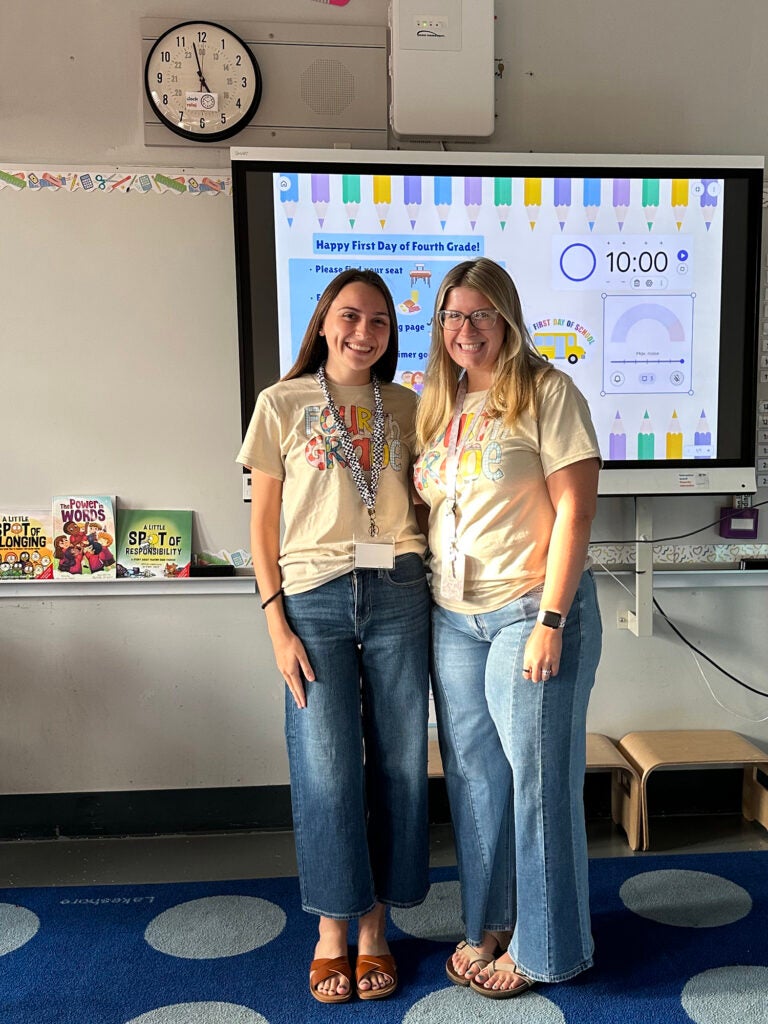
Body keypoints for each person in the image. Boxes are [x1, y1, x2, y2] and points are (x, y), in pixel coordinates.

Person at [236, 268, 430, 1005]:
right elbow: (261, 522)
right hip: (311, 596)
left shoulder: (409, 406)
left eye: (379, 321)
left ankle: (377, 929)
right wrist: (273, 621)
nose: (363, 332)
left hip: (400, 590)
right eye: (349, 317)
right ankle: (330, 933)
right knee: (326, 768)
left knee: (400, 764)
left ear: (391, 334)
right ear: (323, 323)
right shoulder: (281, 403)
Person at [413, 257, 602, 999]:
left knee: (537, 785)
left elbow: (577, 513)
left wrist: (552, 618)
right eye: (454, 316)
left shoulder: (548, 393)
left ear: (508, 318)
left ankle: (550, 948)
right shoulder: (440, 401)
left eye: (482, 314)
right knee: (476, 781)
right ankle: (491, 922)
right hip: (454, 616)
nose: (467, 330)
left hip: (530, 611)